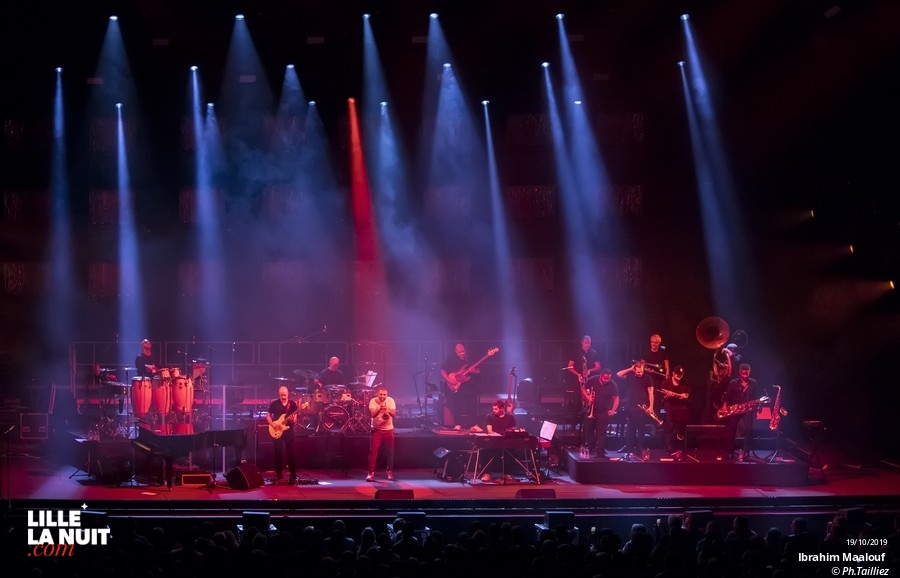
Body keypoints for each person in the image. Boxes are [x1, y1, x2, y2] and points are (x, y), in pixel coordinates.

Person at [720, 363, 764, 461]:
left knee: (748, 430)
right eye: (743, 374)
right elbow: (727, 396)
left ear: (749, 372)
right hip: (735, 410)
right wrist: (724, 406)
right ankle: (729, 452)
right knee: (731, 430)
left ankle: (746, 452)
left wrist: (758, 406)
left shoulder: (754, 383)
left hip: (747, 410)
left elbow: (756, 397)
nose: (745, 376)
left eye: (747, 374)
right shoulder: (733, 383)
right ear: (740, 372)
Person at [616, 360, 656, 461]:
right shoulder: (630, 375)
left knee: (641, 430)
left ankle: (640, 450)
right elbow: (618, 374)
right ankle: (629, 450)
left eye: (641, 371)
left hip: (642, 407)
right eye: (638, 372)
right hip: (630, 407)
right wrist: (630, 369)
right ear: (635, 370)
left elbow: (651, 393)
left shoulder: (648, 378)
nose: (640, 373)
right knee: (630, 430)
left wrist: (651, 406)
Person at [581, 367, 619, 457]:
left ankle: (600, 451)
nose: (606, 380)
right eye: (605, 378)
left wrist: (613, 410)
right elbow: (583, 388)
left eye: (608, 379)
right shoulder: (593, 379)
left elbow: (616, 399)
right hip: (592, 410)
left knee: (601, 432)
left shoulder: (613, 385)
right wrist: (588, 397)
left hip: (604, 411)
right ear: (601, 376)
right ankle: (591, 448)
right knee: (589, 429)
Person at [440, 343, 479, 428]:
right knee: (457, 404)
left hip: (469, 385)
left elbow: (479, 370)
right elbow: (442, 370)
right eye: (459, 352)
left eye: (463, 351)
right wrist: (449, 380)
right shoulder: (451, 359)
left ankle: (473, 424)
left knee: (472, 404)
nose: (462, 353)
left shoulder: (470, 358)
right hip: (456, 385)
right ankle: (458, 424)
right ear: (456, 351)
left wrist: (475, 371)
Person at [266, 385, 299, 484]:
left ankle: (293, 475)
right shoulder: (274, 404)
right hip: (277, 430)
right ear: (279, 394)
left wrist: (293, 420)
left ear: (288, 394)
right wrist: (273, 424)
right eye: (281, 395)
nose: (283, 397)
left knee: (291, 452)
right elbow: (268, 415)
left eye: (284, 395)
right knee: (278, 452)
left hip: (288, 430)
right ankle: (279, 474)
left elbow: (295, 420)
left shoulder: (292, 404)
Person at [658, 365, 691, 456]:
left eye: (681, 375)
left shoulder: (685, 381)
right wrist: (667, 396)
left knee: (683, 417)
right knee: (670, 424)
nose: (679, 377)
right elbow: (663, 398)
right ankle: (668, 446)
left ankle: (680, 441)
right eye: (677, 375)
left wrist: (684, 396)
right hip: (669, 403)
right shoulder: (666, 382)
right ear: (673, 373)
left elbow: (687, 394)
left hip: (680, 404)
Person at [366, 385, 396, 482]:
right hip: (376, 431)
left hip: (389, 430)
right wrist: (380, 408)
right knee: (373, 453)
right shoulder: (373, 401)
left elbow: (394, 414)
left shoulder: (391, 400)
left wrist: (387, 410)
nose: (383, 396)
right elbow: (373, 415)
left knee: (390, 452)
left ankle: (389, 472)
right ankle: (371, 473)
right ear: (377, 394)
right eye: (381, 394)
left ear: (387, 394)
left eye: (384, 395)